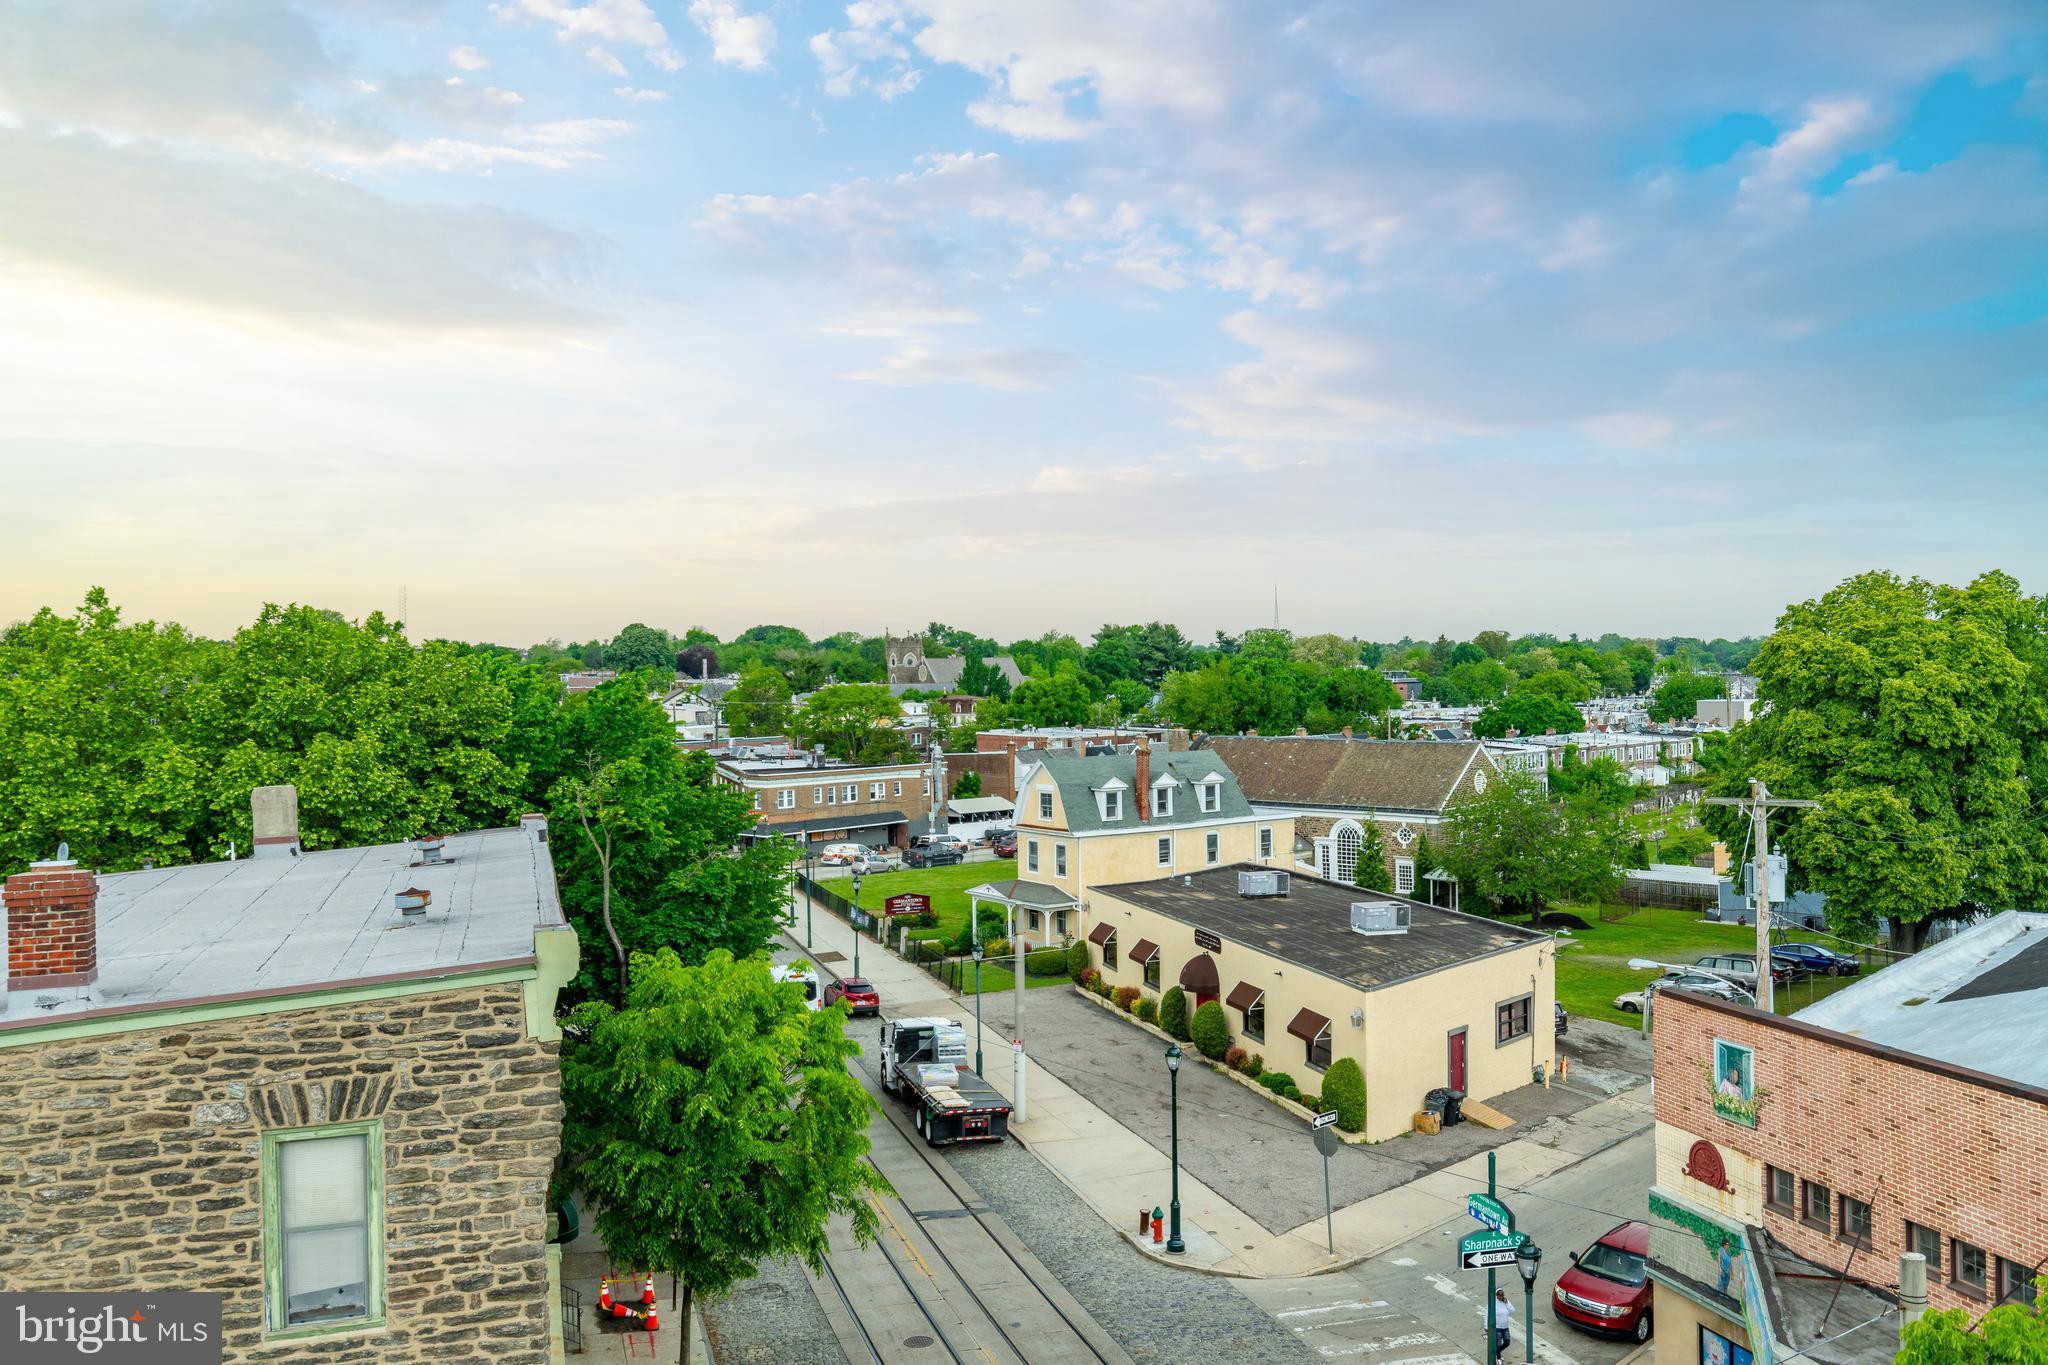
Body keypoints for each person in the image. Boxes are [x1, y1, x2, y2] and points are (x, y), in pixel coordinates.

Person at [1493, 1288, 1515, 1362]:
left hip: (1505, 1326)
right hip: (1497, 1327)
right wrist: (1486, 1326)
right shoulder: (1494, 1303)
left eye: (1503, 1295)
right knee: (1498, 1343)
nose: (1502, 1297)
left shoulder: (1506, 1302)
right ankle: (1498, 1358)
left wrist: (1507, 1303)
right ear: (1497, 1296)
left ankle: (1496, 1353)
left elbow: (1512, 1310)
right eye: (1500, 1295)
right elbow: (1488, 1314)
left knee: (1507, 1342)